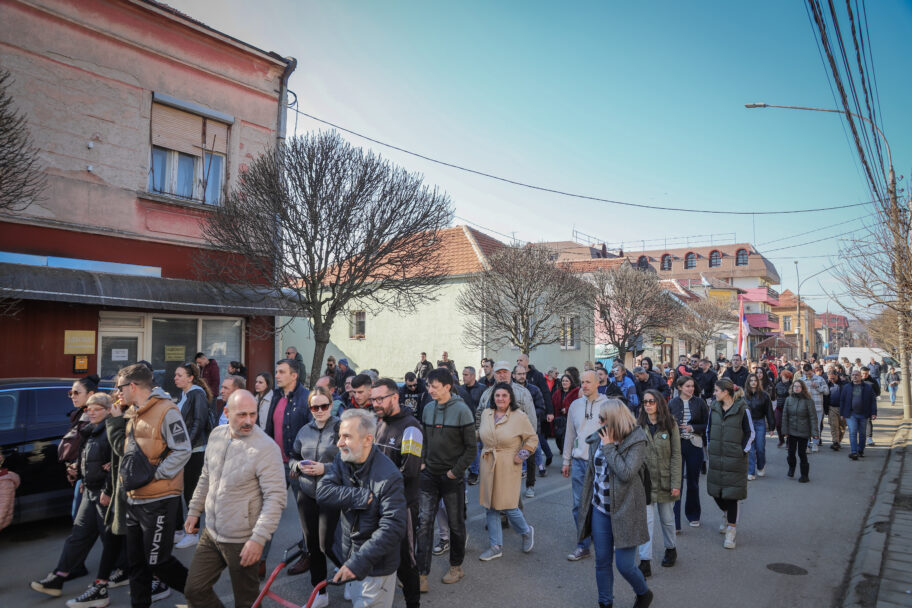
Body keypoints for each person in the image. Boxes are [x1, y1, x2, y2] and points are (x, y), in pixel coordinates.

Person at [183, 390, 286, 608]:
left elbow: (275, 498)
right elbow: (206, 476)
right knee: (194, 590)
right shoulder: (216, 435)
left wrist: (258, 539)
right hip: (211, 532)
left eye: (253, 414)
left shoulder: (266, 448)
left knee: (247, 602)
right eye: (242, 415)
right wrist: (194, 510)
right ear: (227, 413)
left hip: (243, 539)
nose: (248, 421)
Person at [106, 363, 191, 607]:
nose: (117, 392)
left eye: (120, 387)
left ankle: (201, 594)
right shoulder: (133, 411)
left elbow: (182, 449)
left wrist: (157, 475)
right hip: (134, 499)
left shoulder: (166, 410)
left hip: (159, 500)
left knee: (158, 562)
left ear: (133, 386)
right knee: (137, 565)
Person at [30, 393, 127, 605]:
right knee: (79, 534)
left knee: (110, 538)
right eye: (88, 409)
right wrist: (81, 475)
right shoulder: (90, 431)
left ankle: (117, 576)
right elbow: (88, 458)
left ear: (108, 410)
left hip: (104, 493)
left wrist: (108, 489)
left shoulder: (112, 430)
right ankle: (58, 577)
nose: (90, 412)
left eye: (96, 409)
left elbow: (117, 463)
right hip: (90, 491)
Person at [317, 409, 407, 608]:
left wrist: (358, 563)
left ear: (368, 439)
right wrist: (360, 496)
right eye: (340, 436)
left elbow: (393, 528)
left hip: (376, 568)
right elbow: (323, 492)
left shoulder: (389, 476)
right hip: (352, 558)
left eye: (347, 437)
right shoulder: (344, 459)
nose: (339, 443)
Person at [577, 399, 653, 608]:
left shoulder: (636, 439)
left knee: (625, 565)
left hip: (626, 510)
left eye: (603, 418)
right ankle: (605, 602)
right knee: (602, 561)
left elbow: (626, 473)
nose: (599, 422)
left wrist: (609, 447)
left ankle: (644, 593)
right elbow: (592, 473)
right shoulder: (598, 438)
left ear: (615, 420)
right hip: (601, 508)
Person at [416, 368, 475, 590]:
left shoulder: (462, 411)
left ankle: (456, 567)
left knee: (456, 524)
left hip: (451, 478)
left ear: (447, 387)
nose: (429, 390)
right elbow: (422, 439)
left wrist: (455, 472)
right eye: (428, 386)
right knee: (424, 524)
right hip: (428, 476)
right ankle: (422, 574)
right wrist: (422, 462)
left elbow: (471, 449)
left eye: (434, 386)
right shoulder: (428, 408)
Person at [287, 388, 342, 608]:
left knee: (327, 544)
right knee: (312, 545)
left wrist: (324, 468)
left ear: (331, 404)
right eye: (314, 407)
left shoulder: (340, 428)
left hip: (332, 492)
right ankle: (320, 592)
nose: (319, 411)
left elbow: (350, 461)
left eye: (324, 406)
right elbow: (292, 456)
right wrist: (297, 466)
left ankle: (354, 577)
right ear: (309, 408)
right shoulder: (304, 430)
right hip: (307, 493)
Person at [373, 378, 423, 608]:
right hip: (377, 504)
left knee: (405, 560)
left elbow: (410, 470)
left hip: (402, 506)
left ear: (395, 397)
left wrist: (379, 490)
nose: (376, 403)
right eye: (373, 399)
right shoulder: (377, 423)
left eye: (380, 398)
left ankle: (413, 602)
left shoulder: (411, 427)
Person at [477, 382, 538, 561]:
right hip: (488, 462)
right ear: (493, 398)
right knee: (490, 506)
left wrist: (523, 453)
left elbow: (532, 438)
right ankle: (496, 546)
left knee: (508, 504)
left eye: (504, 395)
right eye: (497, 396)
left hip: (509, 463)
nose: (500, 399)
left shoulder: (519, 416)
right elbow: (478, 434)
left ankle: (526, 531)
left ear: (510, 398)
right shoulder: (487, 414)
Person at [264, 358, 312, 576]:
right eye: (276, 371)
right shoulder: (275, 395)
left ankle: (308, 555)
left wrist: (299, 461)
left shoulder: (306, 398)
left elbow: (313, 434)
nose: (277, 375)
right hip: (275, 464)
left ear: (294, 375)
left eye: (282, 371)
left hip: (297, 467)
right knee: (267, 512)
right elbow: (269, 430)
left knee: (305, 517)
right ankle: (259, 560)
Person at [562, 370, 608, 562]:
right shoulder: (575, 405)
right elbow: (570, 434)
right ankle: (583, 544)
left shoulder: (609, 405)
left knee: (601, 505)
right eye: (582, 382)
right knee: (579, 505)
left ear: (598, 383)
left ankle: (604, 540)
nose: (585, 385)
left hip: (602, 462)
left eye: (588, 382)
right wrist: (566, 460)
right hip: (580, 462)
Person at [636, 390, 680, 577]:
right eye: (645, 401)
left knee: (667, 519)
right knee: (646, 522)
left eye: (651, 401)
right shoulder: (638, 426)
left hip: (665, 479)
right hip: (645, 482)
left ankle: (671, 548)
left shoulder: (670, 424)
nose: (648, 405)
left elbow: (676, 455)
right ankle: (645, 561)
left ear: (659, 403)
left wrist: (675, 482)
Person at [707, 379, 754, 550]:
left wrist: (742, 451)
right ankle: (726, 515)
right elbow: (708, 430)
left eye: (716, 390)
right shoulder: (714, 408)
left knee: (732, 495)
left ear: (726, 392)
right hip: (717, 457)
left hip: (735, 459)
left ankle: (731, 532)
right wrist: (710, 448)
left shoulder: (743, 409)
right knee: (716, 493)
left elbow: (750, 433)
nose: (714, 393)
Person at [172, 363, 213, 551]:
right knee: (182, 490)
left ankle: (193, 533)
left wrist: (186, 444)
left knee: (191, 493)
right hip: (184, 449)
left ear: (190, 378)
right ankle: (182, 530)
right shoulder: (185, 395)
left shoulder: (197, 394)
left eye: (180, 375)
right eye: (175, 375)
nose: (175, 378)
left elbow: (198, 421)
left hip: (195, 450)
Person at [667, 375, 708, 530]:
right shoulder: (672, 403)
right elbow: (666, 423)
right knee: (676, 483)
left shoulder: (700, 403)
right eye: (687, 386)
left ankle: (693, 515)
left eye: (692, 386)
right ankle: (675, 522)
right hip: (677, 446)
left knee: (693, 482)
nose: (691, 389)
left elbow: (706, 424)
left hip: (694, 445)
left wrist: (693, 428)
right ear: (679, 387)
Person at [61, 375, 100, 524]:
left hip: (92, 480)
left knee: (81, 522)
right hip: (82, 476)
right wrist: (72, 465)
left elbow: (96, 449)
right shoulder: (79, 414)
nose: (72, 396)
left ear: (90, 394)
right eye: (71, 393)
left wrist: (80, 466)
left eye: (77, 393)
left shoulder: (97, 418)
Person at [512, 364, 547, 498]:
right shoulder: (510, 390)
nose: (522, 376)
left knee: (530, 460)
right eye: (519, 374)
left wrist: (526, 413)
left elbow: (541, 408)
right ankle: (513, 487)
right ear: (513, 375)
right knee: (513, 459)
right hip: (513, 431)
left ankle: (530, 486)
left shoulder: (534, 389)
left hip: (530, 429)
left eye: (524, 373)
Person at [782, 379, 819, 483]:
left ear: (802, 388)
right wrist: (785, 431)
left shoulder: (808, 401)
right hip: (791, 431)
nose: (796, 388)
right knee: (791, 453)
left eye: (798, 386)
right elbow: (785, 416)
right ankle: (791, 467)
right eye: (795, 386)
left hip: (804, 431)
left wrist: (815, 433)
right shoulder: (789, 400)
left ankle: (804, 475)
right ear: (792, 388)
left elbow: (813, 417)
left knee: (802, 453)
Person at [840, 370, 878, 460]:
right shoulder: (846, 387)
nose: (855, 376)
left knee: (862, 434)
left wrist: (873, 413)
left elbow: (873, 400)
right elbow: (842, 400)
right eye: (853, 375)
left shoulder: (868, 387)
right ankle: (854, 452)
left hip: (863, 414)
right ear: (851, 377)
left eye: (857, 375)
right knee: (852, 432)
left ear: (861, 376)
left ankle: (860, 450)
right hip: (851, 414)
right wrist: (842, 413)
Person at [744, 374, 775, 480]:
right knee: (750, 449)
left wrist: (771, 427)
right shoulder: (743, 396)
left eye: (755, 380)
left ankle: (761, 466)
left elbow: (769, 412)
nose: (753, 382)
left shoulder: (764, 396)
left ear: (758, 382)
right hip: (748, 424)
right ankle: (751, 471)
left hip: (760, 422)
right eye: (751, 380)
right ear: (748, 382)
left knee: (760, 448)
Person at [800, 364, 829, 452]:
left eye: (809, 371)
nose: (807, 373)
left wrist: (817, 386)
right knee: (806, 427)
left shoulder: (820, 379)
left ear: (812, 370)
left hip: (817, 408)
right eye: (805, 371)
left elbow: (826, 392)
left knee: (816, 427)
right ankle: (807, 444)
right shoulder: (801, 380)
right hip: (805, 408)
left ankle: (815, 444)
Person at [551, 373, 580, 454]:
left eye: (567, 381)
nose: (564, 382)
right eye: (563, 381)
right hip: (558, 419)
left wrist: (567, 409)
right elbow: (552, 403)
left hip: (570, 420)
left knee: (566, 438)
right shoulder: (557, 392)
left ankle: (567, 453)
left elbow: (578, 404)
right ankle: (563, 450)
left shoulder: (576, 392)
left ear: (571, 382)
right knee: (558, 438)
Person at [773, 370, 793, 448]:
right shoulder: (778, 384)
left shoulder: (792, 384)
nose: (783, 378)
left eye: (785, 377)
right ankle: (781, 439)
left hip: (789, 407)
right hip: (779, 406)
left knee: (788, 425)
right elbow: (776, 394)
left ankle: (788, 442)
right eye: (783, 376)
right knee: (778, 424)